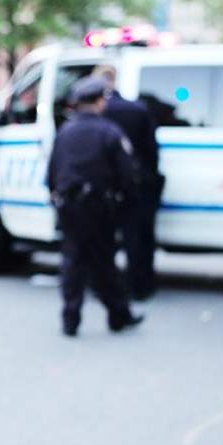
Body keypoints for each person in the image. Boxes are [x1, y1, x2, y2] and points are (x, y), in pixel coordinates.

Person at [47, 76, 143, 337]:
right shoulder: (109, 131)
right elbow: (126, 175)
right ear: (100, 102)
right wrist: (126, 203)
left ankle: (71, 319)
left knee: (73, 262)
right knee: (104, 263)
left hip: (69, 205)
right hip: (99, 206)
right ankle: (118, 315)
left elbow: (53, 171)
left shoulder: (65, 131)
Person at [93, 65, 162, 300]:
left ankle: (104, 286)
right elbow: (151, 151)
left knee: (102, 238)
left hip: (104, 186)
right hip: (136, 183)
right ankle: (140, 286)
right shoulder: (137, 109)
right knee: (138, 238)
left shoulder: (95, 114)